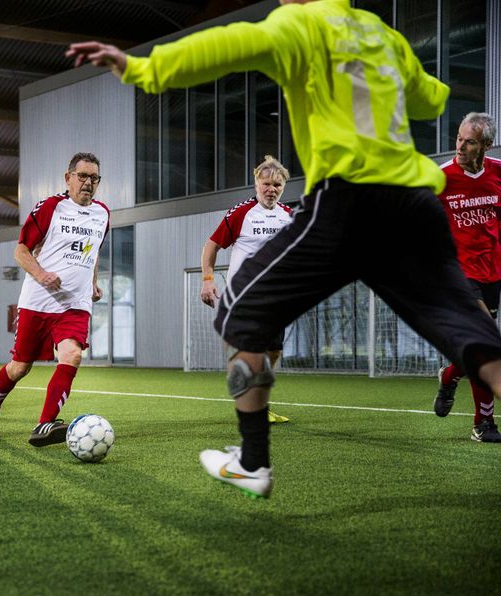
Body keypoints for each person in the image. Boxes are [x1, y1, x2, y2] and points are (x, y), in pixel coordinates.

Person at [67, 0, 501, 499]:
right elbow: (429, 99)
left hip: (347, 203)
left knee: (238, 317)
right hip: (415, 205)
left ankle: (252, 462)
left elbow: (223, 46)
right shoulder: (379, 32)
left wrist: (138, 67)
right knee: (474, 334)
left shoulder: (299, 24)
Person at [0, 152, 109, 446]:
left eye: (94, 178)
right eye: (82, 176)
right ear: (68, 178)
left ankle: (44, 424)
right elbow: (21, 251)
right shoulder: (51, 207)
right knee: (20, 367)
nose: (88, 183)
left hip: (75, 305)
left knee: (72, 355)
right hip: (38, 301)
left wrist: (93, 282)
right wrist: (41, 274)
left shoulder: (103, 214)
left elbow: (93, 252)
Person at [201, 155, 293, 424]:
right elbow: (211, 246)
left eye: (277, 185)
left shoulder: (288, 216)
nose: (271, 189)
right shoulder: (241, 213)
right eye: (266, 184)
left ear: (283, 187)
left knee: (274, 351)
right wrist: (207, 279)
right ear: (256, 184)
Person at [432, 113, 501, 443]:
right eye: (458, 138)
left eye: (469, 142)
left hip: (492, 272)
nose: (460, 146)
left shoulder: (499, 173)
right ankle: (483, 423)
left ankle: (450, 374)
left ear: (486, 145)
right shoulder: (441, 178)